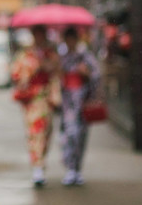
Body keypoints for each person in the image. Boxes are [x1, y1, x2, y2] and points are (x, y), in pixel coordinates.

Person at [10, 24, 62, 186]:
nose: (39, 38)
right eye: (37, 34)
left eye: (42, 34)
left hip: (46, 97)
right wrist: (33, 69)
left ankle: (41, 162)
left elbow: (58, 72)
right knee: (34, 131)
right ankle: (37, 167)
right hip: (32, 99)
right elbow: (16, 73)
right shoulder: (26, 54)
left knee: (47, 131)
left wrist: (49, 66)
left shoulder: (50, 53)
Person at [58, 27, 100, 186]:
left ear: (76, 40)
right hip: (67, 102)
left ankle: (77, 170)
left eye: (72, 39)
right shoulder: (61, 57)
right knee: (69, 135)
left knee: (80, 136)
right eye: (67, 39)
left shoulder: (85, 56)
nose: (70, 42)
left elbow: (96, 75)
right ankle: (70, 168)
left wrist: (86, 74)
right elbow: (56, 77)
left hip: (82, 101)